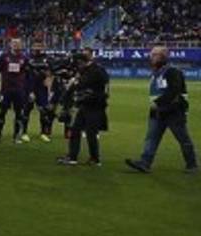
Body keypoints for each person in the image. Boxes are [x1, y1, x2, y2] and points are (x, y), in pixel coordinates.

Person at [125, 46, 197, 174]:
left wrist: (158, 103)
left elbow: (174, 91)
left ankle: (192, 165)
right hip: (158, 111)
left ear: (163, 56)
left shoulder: (172, 71)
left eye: (154, 55)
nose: (151, 57)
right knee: (151, 138)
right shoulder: (157, 73)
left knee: (183, 138)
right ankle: (145, 163)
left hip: (173, 111)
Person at [57, 49, 109, 167]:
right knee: (75, 130)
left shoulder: (97, 71)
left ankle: (94, 158)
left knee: (91, 133)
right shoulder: (85, 70)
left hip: (94, 105)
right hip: (84, 105)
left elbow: (103, 86)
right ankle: (73, 157)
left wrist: (77, 85)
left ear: (80, 62)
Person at [0, 38, 30, 144]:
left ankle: (16, 136)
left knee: (19, 113)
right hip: (6, 89)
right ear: (10, 44)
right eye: (14, 43)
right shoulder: (4, 56)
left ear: (21, 45)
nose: (16, 45)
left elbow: (26, 74)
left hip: (19, 89)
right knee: (2, 112)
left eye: (18, 43)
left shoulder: (24, 58)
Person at [26, 43, 55, 142]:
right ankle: (24, 133)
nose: (38, 48)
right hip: (30, 87)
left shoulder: (47, 59)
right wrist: (28, 90)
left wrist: (50, 89)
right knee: (27, 110)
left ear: (43, 47)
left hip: (42, 88)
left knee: (43, 110)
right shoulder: (28, 58)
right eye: (36, 46)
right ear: (32, 47)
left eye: (40, 46)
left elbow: (50, 74)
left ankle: (43, 133)